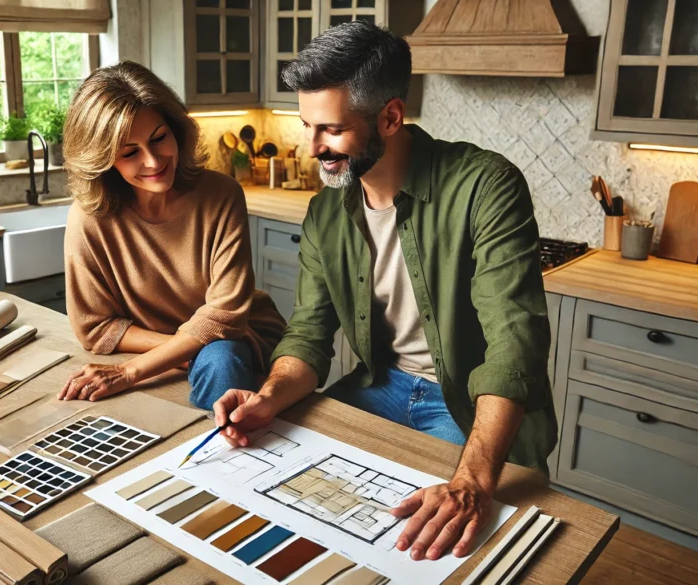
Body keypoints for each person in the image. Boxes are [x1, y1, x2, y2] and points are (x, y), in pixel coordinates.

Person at [212, 21, 556, 563]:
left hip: (463, 403)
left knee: (428, 549)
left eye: (329, 130)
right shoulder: (326, 210)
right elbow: (307, 336)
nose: (312, 147)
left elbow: (517, 343)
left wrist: (471, 481)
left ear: (391, 117)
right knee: (293, 514)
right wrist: (268, 397)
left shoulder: (486, 184)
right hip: (380, 388)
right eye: (307, 126)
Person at [56, 61, 286, 410]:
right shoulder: (88, 220)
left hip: (240, 337)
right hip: (175, 348)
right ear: (103, 161)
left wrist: (131, 372)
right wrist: (179, 351)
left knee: (221, 359)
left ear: (175, 129)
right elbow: (96, 329)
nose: (153, 161)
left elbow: (225, 316)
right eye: (130, 153)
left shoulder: (221, 194)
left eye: (159, 138)